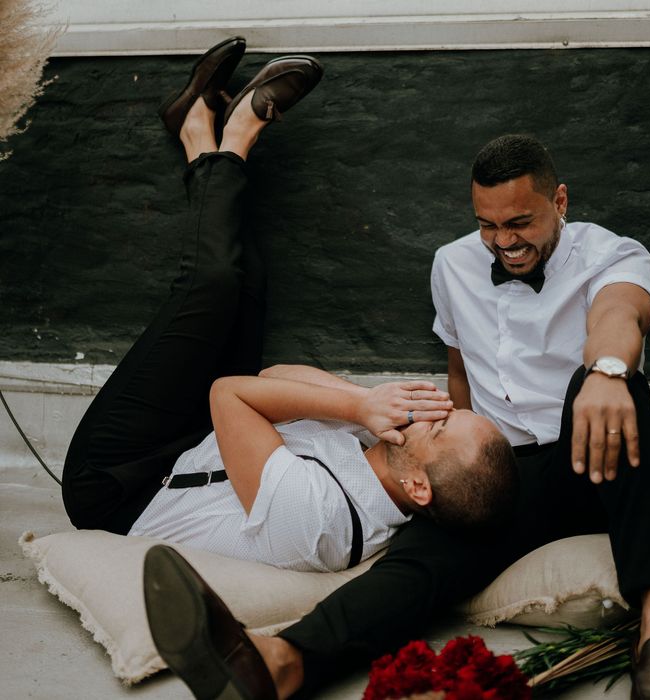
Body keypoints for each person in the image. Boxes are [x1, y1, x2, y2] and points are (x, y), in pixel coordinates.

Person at [140, 55, 650, 700]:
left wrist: (604, 369)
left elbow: (618, 314)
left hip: (595, 453)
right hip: (507, 471)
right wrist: (452, 448)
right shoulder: (452, 265)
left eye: (520, 223)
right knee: (422, 558)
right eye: (488, 226)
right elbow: (459, 369)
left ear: (559, 201)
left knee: (610, 385)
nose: (504, 242)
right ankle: (283, 660)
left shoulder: (612, 253)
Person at [61, 36, 517, 578]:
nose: (438, 410)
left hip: (120, 482)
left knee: (209, 286)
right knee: (247, 279)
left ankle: (233, 138)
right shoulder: (391, 449)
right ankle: (193, 131)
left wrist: (355, 411)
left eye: (442, 428)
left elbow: (230, 392)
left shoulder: (317, 522)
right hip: (197, 440)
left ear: (419, 487)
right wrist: (366, 399)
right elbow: (274, 375)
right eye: (455, 412)